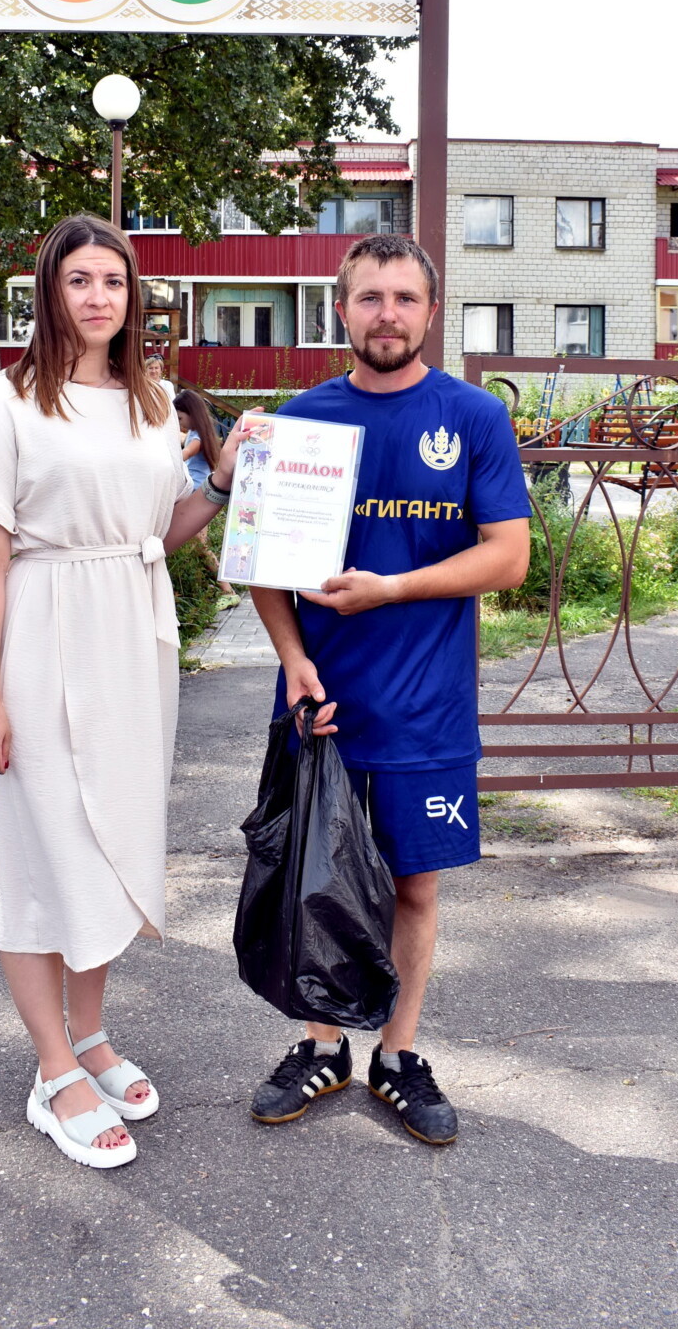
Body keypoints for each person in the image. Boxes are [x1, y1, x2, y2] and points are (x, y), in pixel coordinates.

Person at [0, 214, 244, 1171]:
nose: (100, 297)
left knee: (111, 843)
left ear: (133, 295)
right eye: (80, 280)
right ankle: (52, 1070)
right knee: (44, 855)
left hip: (130, 634)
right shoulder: (3, 402)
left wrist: (228, 485)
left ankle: (91, 1031)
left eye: (114, 281)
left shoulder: (151, 404)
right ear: (51, 290)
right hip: (40, 627)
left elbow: (160, 532)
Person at [248, 233, 531, 1146]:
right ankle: (323, 1043)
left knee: (413, 887)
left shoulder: (474, 418)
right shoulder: (303, 419)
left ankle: (397, 1056)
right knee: (317, 884)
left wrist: (393, 588)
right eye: (369, 298)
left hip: (426, 708)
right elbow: (262, 567)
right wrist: (293, 658)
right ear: (342, 309)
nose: (387, 316)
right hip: (322, 701)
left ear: (431, 311)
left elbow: (509, 557)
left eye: (405, 299)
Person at [173, 388, 238, 600]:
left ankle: (227, 591)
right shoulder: (198, 432)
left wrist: (168, 461)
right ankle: (211, 587)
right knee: (197, 546)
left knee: (201, 546)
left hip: (196, 494)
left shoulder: (198, 437)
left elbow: (187, 452)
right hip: (199, 492)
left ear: (191, 413)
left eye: (181, 417)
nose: (180, 422)